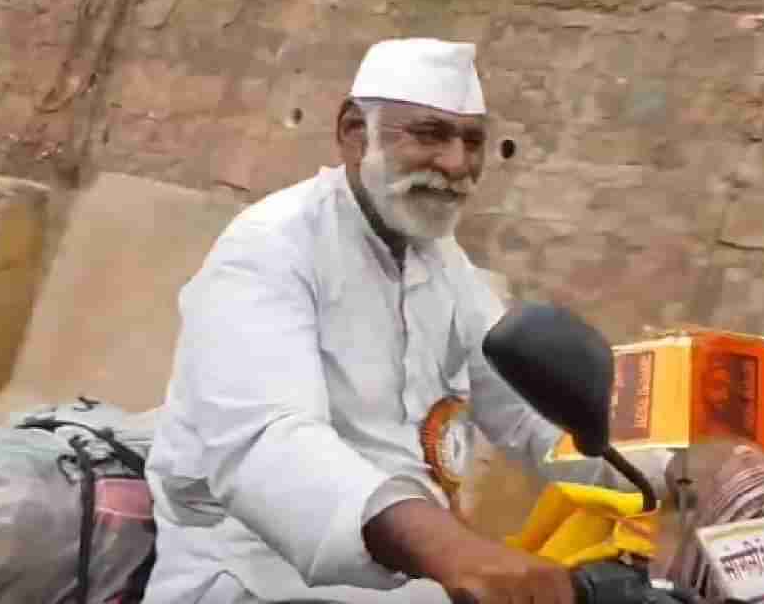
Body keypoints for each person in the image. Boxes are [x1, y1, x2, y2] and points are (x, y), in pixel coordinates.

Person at [143, 38, 677, 604]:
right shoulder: (269, 248)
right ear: (354, 131)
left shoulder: (442, 262)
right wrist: (455, 550)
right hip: (257, 577)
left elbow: (527, 411)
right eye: (429, 135)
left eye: (473, 141)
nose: (456, 164)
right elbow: (270, 444)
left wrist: (679, 473)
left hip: (414, 578)